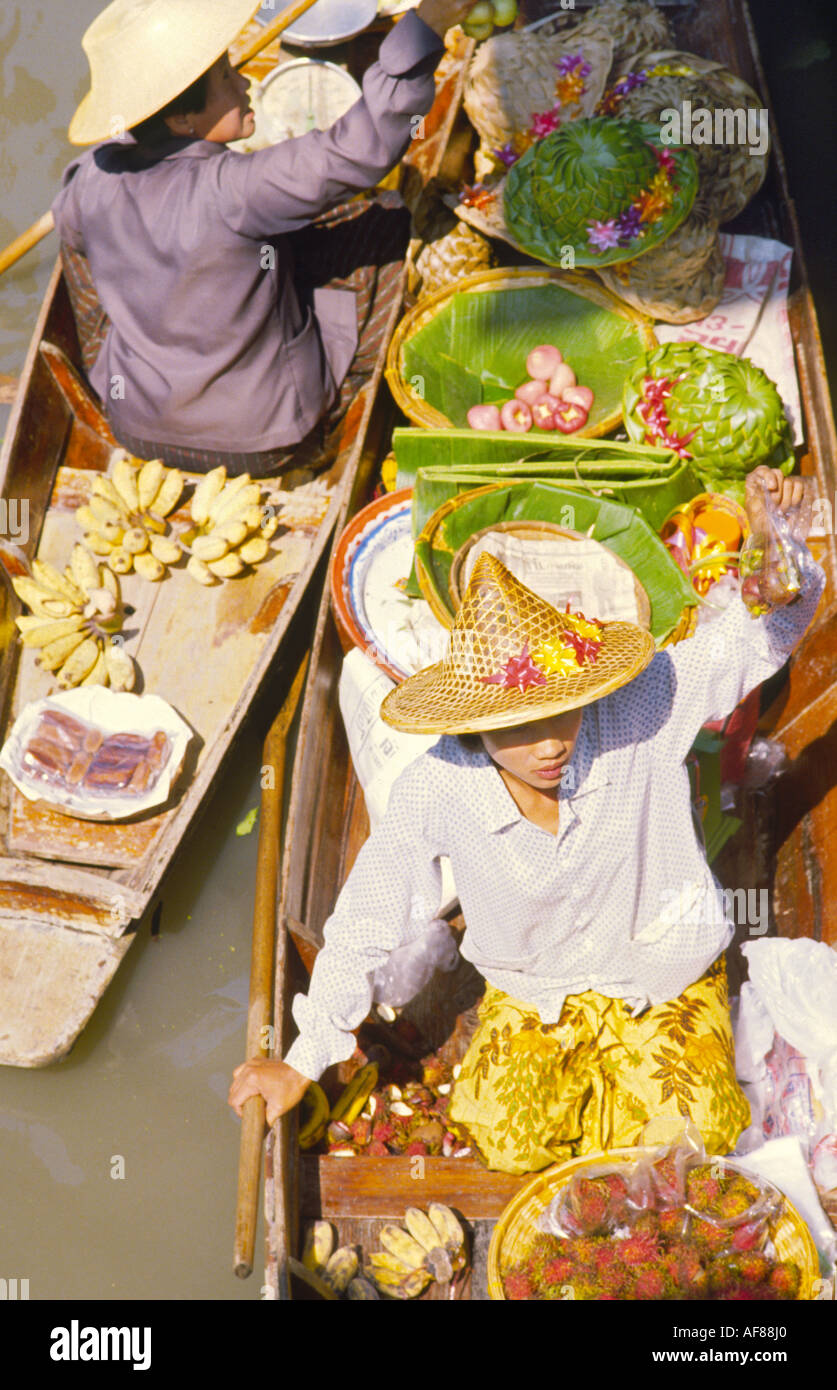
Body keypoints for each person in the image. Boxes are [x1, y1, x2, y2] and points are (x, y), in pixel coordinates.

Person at [229, 466, 825, 1174]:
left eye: (562, 711)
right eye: (517, 728)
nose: (549, 745)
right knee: (508, 1140)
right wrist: (304, 1058)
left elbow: (763, 635)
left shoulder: (640, 705)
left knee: (692, 1139)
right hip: (537, 992)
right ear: (473, 726)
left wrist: (770, 544)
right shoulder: (438, 786)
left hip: (660, 973)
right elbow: (367, 913)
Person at [51, 0, 473, 474]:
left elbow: (81, 272)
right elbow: (360, 149)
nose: (245, 83)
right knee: (386, 218)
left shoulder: (86, 180)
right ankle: (338, 415)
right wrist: (427, 27)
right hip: (267, 442)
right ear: (180, 121)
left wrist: (108, 368)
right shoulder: (234, 189)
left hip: (135, 427)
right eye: (227, 79)